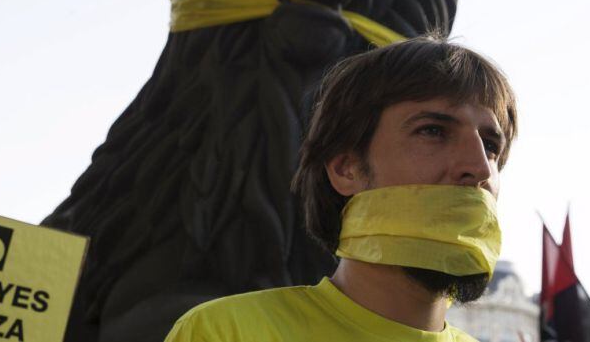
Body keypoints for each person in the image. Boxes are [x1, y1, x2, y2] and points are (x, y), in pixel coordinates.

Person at [163, 36, 517, 342]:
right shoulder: (226, 332)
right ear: (346, 169)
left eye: (490, 145)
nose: (480, 167)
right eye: (433, 131)